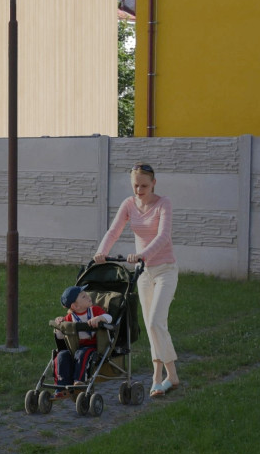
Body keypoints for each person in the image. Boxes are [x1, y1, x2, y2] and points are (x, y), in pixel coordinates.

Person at [93, 162, 180, 396]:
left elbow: (163, 236)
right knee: (155, 325)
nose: (139, 190)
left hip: (165, 269)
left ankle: (157, 377)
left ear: (153, 183)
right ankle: (171, 375)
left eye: (144, 186)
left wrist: (143, 254)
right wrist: (101, 252)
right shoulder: (129, 204)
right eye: (135, 185)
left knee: (155, 322)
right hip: (143, 273)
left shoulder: (164, 204)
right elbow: (114, 231)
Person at [49, 285, 112, 388]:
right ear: (75, 306)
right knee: (61, 355)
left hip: (93, 346)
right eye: (83, 296)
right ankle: (61, 386)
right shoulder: (69, 318)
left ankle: (79, 381)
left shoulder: (95, 311)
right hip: (74, 347)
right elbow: (60, 337)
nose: (88, 296)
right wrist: (59, 326)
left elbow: (109, 318)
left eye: (86, 294)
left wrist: (100, 318)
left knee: (82, 353)